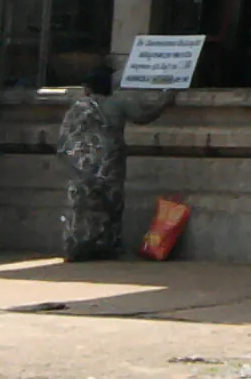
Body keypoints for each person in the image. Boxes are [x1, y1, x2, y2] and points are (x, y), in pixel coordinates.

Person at [55, 66, 176, 260]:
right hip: (109, 164)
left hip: (81, 165)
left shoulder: (76, 107)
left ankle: (78, 245)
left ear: (87, 89)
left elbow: (65, 139)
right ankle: (105, 245)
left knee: (80, 207)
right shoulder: (118, 103)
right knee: (110, 205)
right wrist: (165, 99)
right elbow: (144, 116)